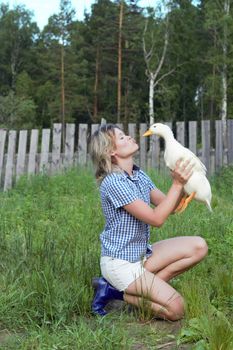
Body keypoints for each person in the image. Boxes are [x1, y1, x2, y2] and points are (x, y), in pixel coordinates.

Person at [90, 124, 208, 321]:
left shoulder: (139, 175)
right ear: (111, 151)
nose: (129, 137)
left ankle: (143, 288)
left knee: (199, 246)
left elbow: (168, 205)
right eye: (121, 137)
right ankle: (116, 293)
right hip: (121, 264)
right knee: (176, 310)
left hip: (142, 255)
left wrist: (187, 184)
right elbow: (156, 219)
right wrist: (177, 184)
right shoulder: (113, 182)